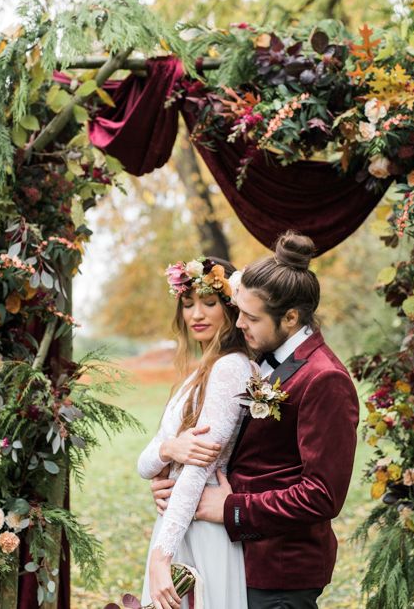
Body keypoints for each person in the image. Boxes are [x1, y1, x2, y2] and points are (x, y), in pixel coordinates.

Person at [151, 231, 359, 609]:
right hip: (238, 561)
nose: (239, 323)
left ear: (291, 317)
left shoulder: (325, 378)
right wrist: (180, 483)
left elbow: (322, 496)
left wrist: (230, 508)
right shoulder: (262, 358)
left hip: (280, 572)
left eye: (250, 316)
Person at [137, 256, 252, 609]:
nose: (197, 315)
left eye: (209, 303)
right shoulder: (197, 373)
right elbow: (144, 464)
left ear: (230, 308)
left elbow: (200, 467)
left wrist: (161, 556)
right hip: (177, 521)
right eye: (188, 305)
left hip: (201, 522)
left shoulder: (231, 367)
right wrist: (170, 449)